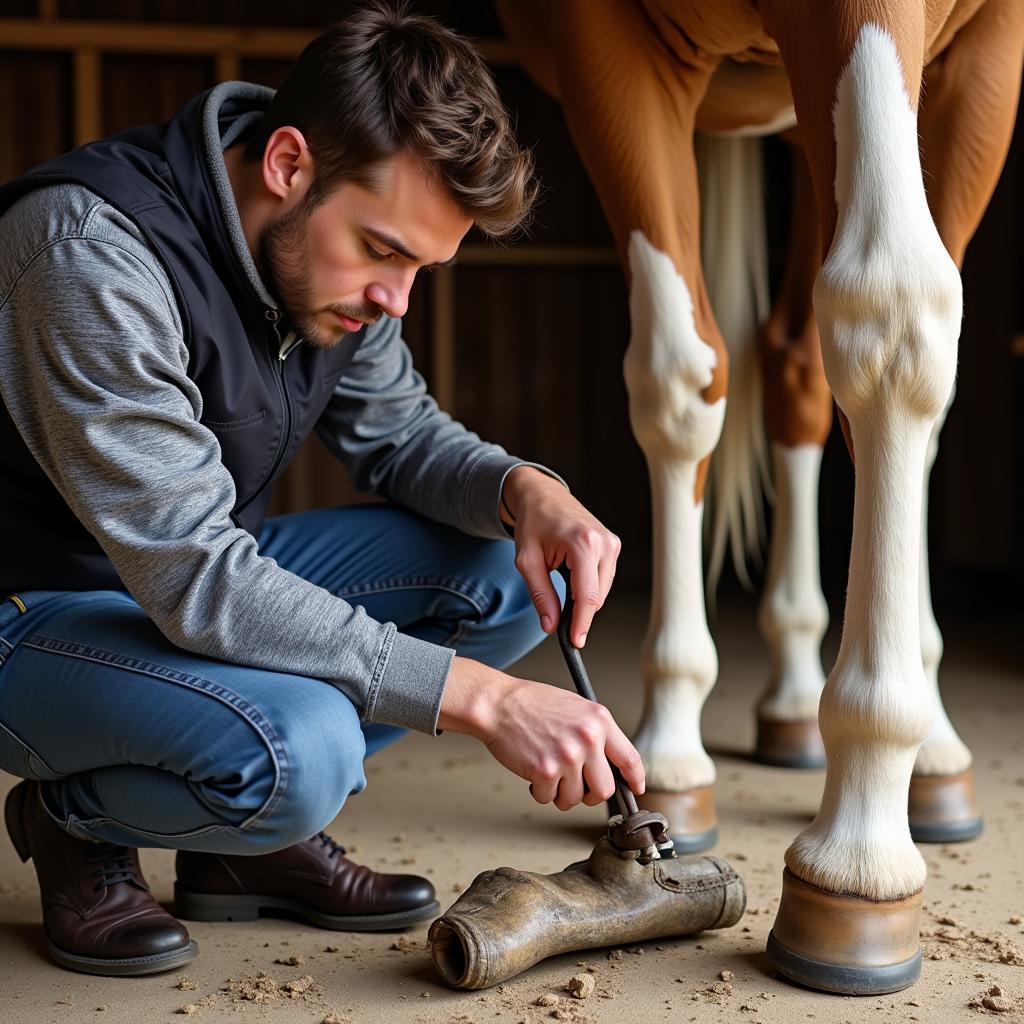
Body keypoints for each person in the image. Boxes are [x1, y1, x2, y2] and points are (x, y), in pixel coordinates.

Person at [0, 1, 644, 978]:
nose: (397, 298)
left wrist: (527, 491)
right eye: (385, 251)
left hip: (179, 584)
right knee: (302, 753)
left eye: (422, 267)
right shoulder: (90, 248)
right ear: (288, 164)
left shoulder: (329, 252)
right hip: (31, 611)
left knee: (508, 570)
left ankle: (230, 851)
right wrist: (484, 699)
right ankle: (73, 816)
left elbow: (399, 433)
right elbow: (198, 578)